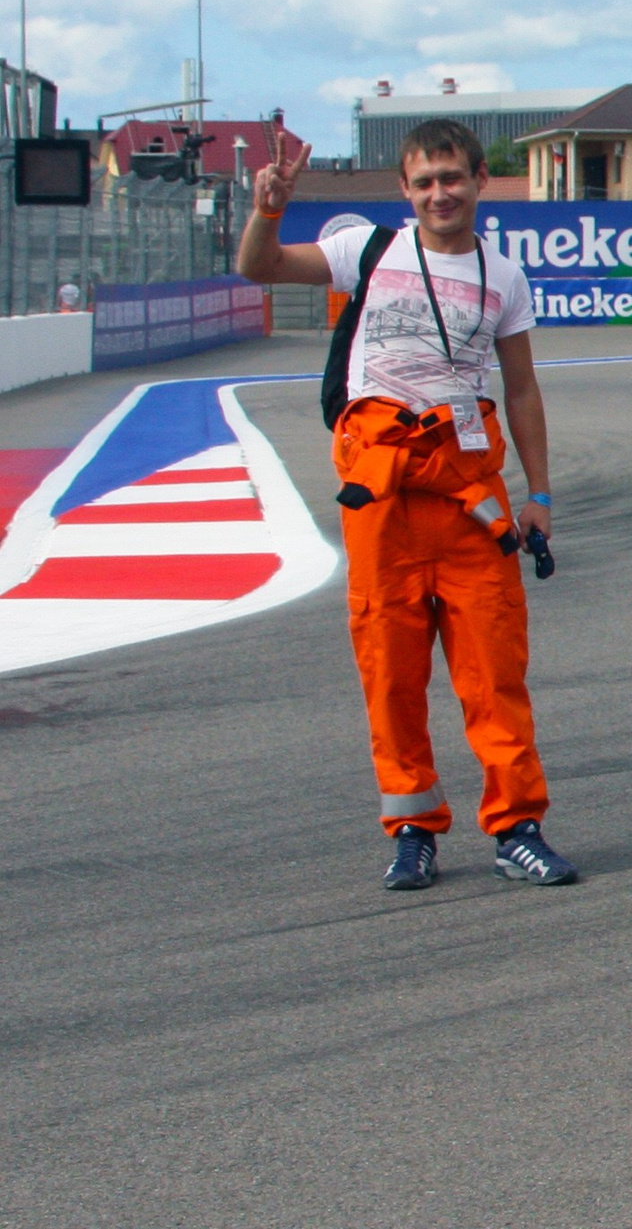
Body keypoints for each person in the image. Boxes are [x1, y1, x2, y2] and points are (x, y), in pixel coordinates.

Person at [239, 120, 575, 892]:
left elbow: (520, 390)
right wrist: (268, 208)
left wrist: (541, 495)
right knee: (389, 671)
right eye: (424, 181)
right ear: (404, 188)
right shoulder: (369, 251)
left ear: (480, 179)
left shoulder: (505, 276)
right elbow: (260, 266)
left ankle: (517, 827)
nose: (439, 193)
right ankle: (413, 831)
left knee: (495, 671)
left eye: (452, 177)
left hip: (470, 497)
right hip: (382, 497)